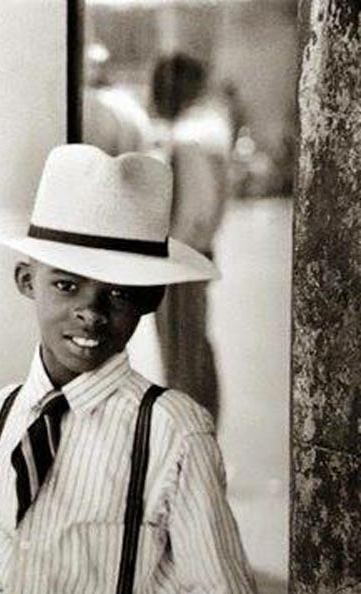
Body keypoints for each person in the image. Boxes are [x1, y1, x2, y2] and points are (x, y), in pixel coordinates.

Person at [0, 145, 265, 594]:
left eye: (117, 294)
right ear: (27, 282)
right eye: (66, 285)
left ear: (148, 300)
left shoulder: (172, 431)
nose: (89, 311)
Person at [148, 53, 233, 421]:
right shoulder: (206, 128)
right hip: (193, 256)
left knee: (181, 353)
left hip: (179, 260)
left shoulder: (187, 136)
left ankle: (187, 431)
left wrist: (167, 255)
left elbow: (195, 210)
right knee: (194, 347)